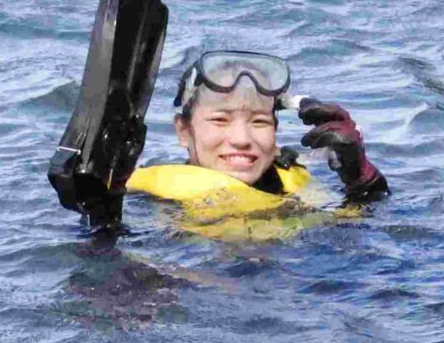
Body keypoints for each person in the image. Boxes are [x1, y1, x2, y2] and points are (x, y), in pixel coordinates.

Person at [123, 50, 390, 224]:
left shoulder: (295, 185)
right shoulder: (145, 199)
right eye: (220, 120)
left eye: (259, 121)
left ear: (275, 132)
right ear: (183, 131)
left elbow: (360, 230)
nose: (241, 138)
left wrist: (360, 177)